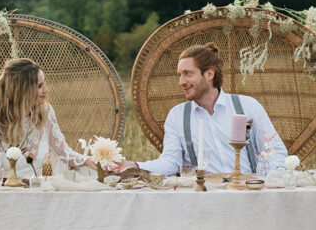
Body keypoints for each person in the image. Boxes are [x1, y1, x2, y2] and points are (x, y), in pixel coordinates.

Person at [114, 43, 288, 176]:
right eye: (179, 75)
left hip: (248, 194)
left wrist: (268, 186)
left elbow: (275, 152)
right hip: (205, 198)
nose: (181, 82)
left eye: (188, 74)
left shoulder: (247, 106)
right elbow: (170, 162)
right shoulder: (177, 116)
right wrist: (137, 165)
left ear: (209, 74)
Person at [0, 58, 96, 178]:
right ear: (20, 92)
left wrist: (89, 161)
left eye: (44, 83)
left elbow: (63, 152)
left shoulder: (45, 113)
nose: (46, 90)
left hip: (39, 190)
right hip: (6, 193)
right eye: (39, 86)